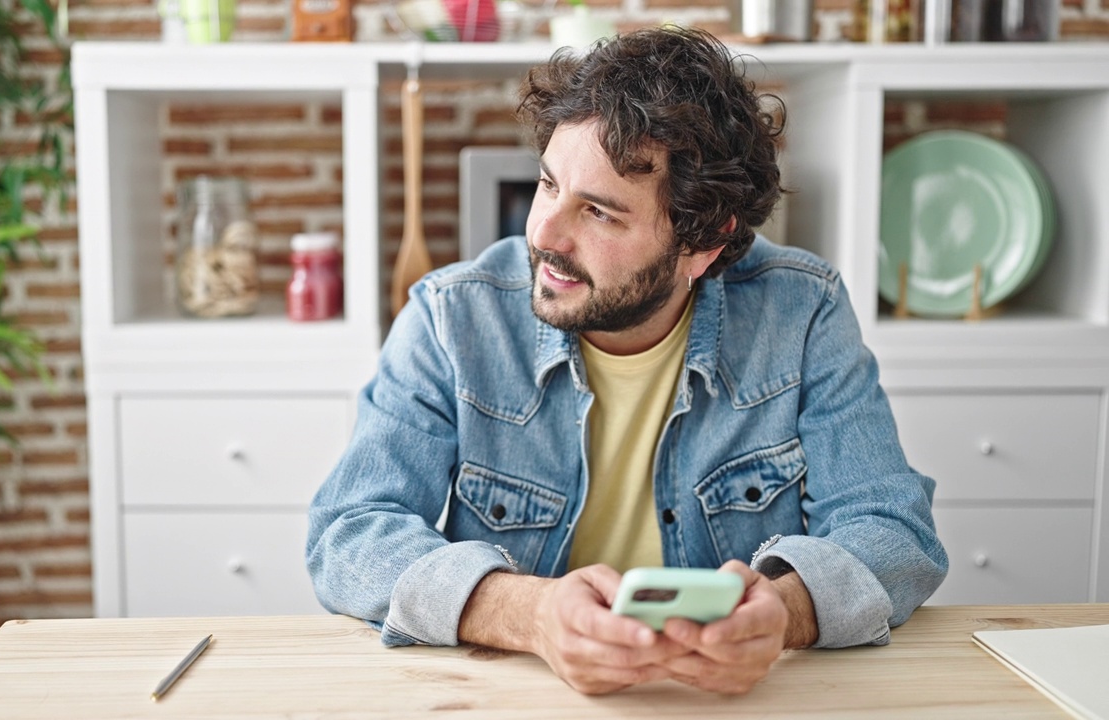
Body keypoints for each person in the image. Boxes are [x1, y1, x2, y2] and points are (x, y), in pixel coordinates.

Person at [306, 25, 947, 696]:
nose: (544, 235)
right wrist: (527, 615)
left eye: (599, 214)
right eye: (549, 186)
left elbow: (892, 530)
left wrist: (787, 613)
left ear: (703, 242)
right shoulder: (450, 319)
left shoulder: (803, 312)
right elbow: (349, 533)